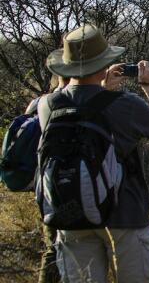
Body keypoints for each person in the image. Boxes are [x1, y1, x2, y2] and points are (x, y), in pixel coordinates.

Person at [38, 23, 149, 283]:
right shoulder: (124, 104)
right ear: (104, 63)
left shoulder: (47, 105)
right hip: (125, 214)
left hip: (71, 215)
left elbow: (81, 107)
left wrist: (100, 85)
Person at [27, 75, 69, 283]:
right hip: (72, 184)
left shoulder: (39, 102)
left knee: (52, 248)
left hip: (45, 186)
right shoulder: (75, 101)